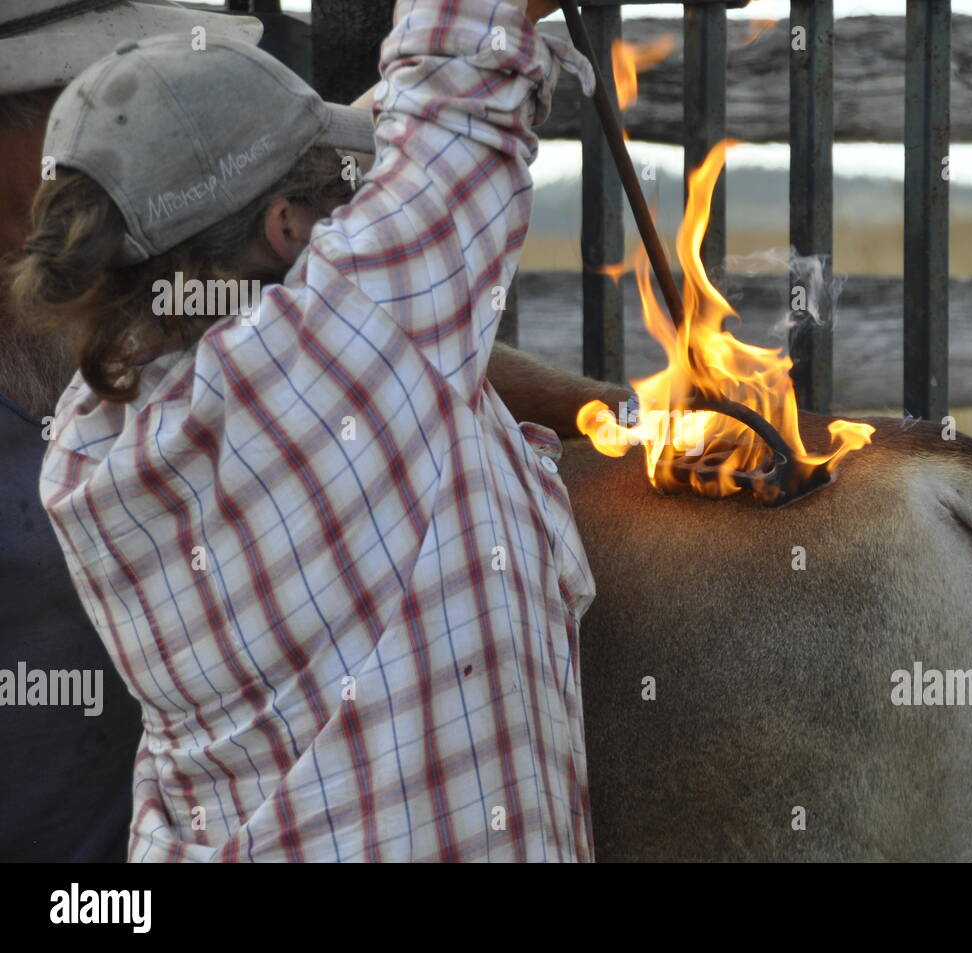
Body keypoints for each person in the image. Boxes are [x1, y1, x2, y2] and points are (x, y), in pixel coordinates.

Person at [10, 0, 622, 861]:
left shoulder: (87, 437)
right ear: (285, 227)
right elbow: (458, 77)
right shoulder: (331, 346)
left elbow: (397, 175)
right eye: (330, 189)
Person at [0, 0, 262, 863]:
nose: (120, 132)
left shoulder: (153, 272)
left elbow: (358, 338)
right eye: (87, 98)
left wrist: (613, 410)